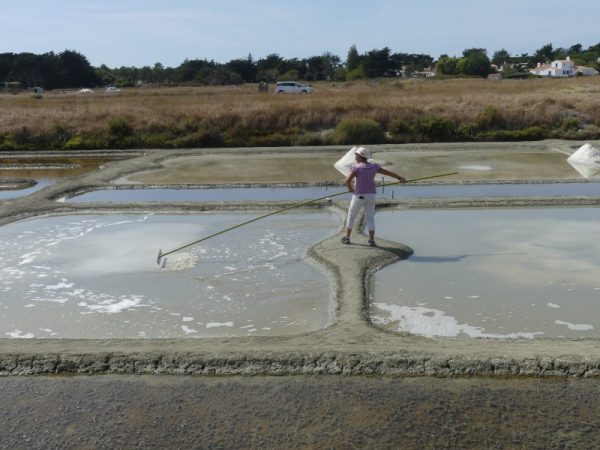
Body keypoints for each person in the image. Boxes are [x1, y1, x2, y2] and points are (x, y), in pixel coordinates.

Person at [342, 146, 405, 247]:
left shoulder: (356, 168)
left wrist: (350, 189)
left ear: (361, 157)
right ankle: (371, 241)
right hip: (371, 196)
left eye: (356, 156)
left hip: (359, 196)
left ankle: (347, 238)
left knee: (351, 215)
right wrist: (399, 178)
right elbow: (388, 173)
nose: (355, 158)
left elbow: (347, 180)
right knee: (370, 218)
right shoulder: (374, 167)